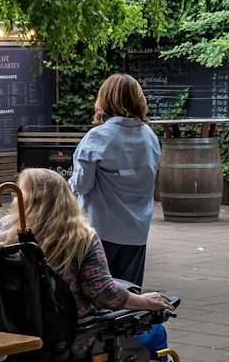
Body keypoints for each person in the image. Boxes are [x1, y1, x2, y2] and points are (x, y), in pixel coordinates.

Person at [0, 167, 173, 328]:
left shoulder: (6, 232)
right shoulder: (80, 237)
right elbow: (102, 292)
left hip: (15, 326)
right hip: (68, 332)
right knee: (155, 332)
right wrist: (144, 301)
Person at [69, 73, 163, 285]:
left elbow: (82, 186)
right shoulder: (150, 136)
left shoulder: (97, 137)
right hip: (137, 230)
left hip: (101, 230)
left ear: (105, 99)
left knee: (96, 294)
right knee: (129, 294)